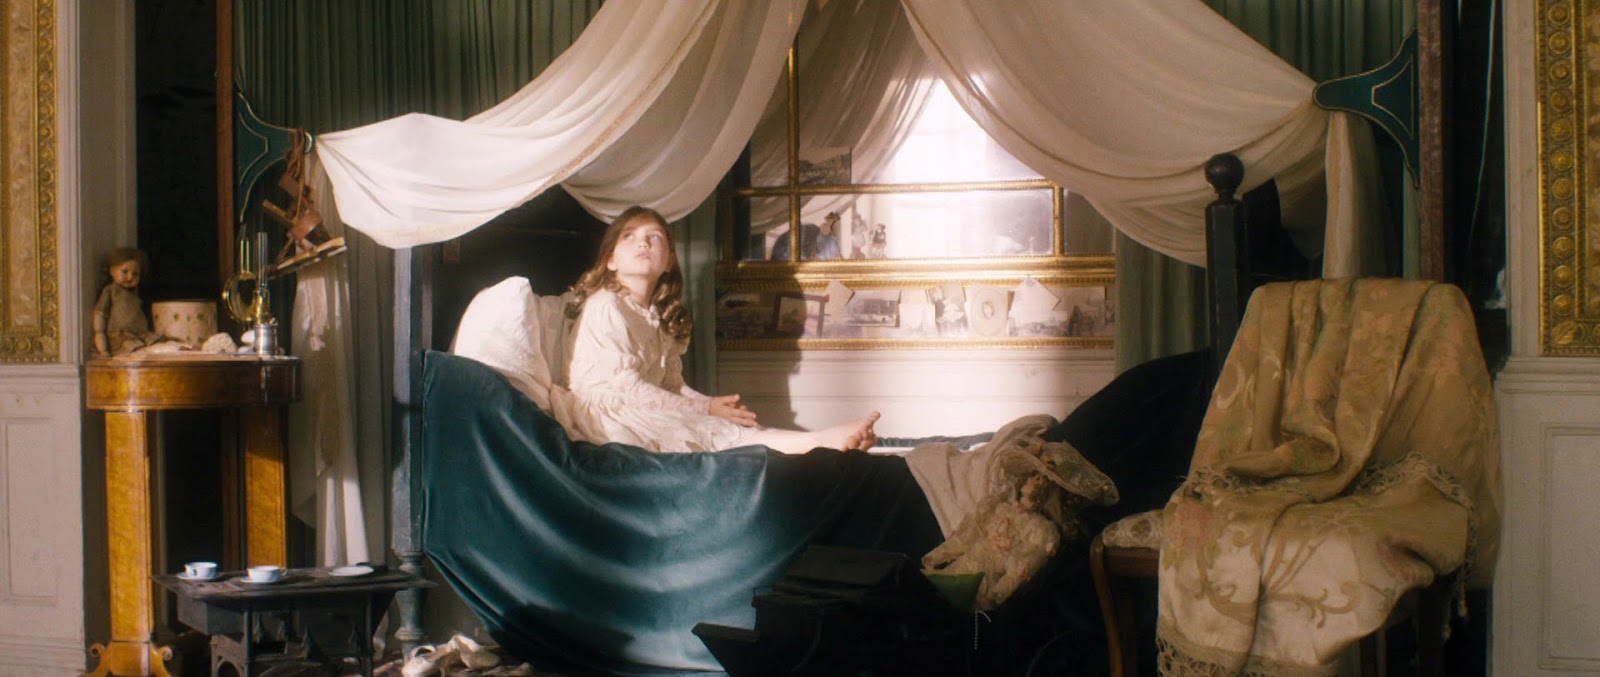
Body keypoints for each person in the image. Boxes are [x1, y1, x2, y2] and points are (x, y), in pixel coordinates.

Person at [565, 206, 879, 454]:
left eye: (655, 237)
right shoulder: (607, 305)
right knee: (713, 432)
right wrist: (706, 408)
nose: (643, 242)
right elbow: (626, 389)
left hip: (640, 404)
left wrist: (714, 404)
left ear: (669, 262)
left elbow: (672, 385)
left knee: (731, 426)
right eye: (629, 236)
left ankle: (819, 442)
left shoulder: (655, 317)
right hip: (611, 412)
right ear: (610, 260)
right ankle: (819, 442)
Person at [92, 247, 163, 356]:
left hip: (140, 334)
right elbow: (100, 314)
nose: (130, 277)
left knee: (159, 345)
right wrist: (102, 344)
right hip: (121, 337)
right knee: (138, 352)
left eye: (135, 274)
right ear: (111, 271)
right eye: (124, 272)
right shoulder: (111, 290)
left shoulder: (134, 295)